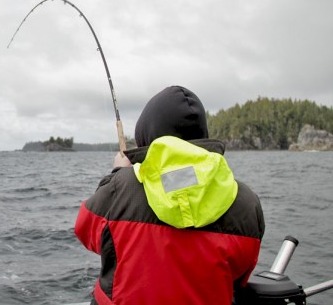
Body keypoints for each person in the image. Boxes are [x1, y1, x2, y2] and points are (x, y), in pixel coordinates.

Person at [75, 85, 265, 305]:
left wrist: (118, 174)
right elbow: (241, 272)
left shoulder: (121, 187)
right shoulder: (247, 202)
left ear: (147, 137)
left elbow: (85, 231)